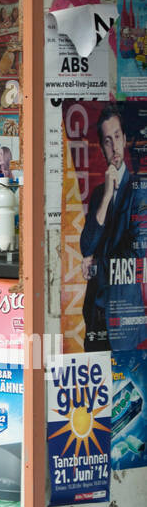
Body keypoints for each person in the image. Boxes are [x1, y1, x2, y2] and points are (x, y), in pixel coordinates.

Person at [80, 103, 147, 352]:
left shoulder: (140, 191)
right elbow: (85, 245)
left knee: (123, 386)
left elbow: (137, 251)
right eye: (107, 141)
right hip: (96, 312)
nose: (114, 146)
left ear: (126, 139)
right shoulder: (99, 194)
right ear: (103, 148)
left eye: (117, 136)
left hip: (123, 314)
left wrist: (96, 261)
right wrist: (108, 195)